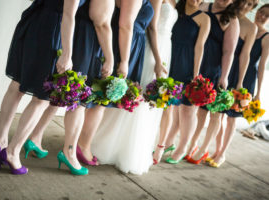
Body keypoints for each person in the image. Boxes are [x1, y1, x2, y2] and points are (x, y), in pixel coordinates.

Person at [0, 0, 114, 175]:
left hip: (35, 20)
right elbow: (69, 14)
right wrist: (67, 54)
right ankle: (12, 152)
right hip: (50, 28)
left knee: (17, 85)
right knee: (42, 98)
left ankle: (0, 142)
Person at [91, 0, 177, 174]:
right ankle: (116, 146)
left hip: (165, 47)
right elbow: (152, 28)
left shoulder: (176, 3)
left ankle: (132, 146)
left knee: (147, 104)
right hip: (151, 49)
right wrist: (158, 61)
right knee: (136, 98)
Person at [185, 0, 241, 164]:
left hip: (215, 67)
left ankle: (203, 149)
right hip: (198, 62)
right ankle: (192, 144)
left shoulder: (232, 19)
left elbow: (229, 52)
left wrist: (224, 76)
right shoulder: (203, 6)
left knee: (215, 112)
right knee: (199, 111)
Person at [155, 0, 210, 165]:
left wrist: (195, 74)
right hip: (168, 58)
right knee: (167, 106)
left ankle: (182, 147)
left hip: (187, 64)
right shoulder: (174, 9)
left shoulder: (203, 18)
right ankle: (166, 142)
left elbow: (200, 46)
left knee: (187, 110)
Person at [208, 0, 259, 168]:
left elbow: (246, 56)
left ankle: (222, 153)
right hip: (221, 68)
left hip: (239, 74)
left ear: (253, 8)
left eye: (250, 4)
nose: (245, 6)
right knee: (217, 114)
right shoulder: (225, 15)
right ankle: (215, 149)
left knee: (231, 118)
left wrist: (240, 83)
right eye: (244, 1)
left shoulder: (251, 27)